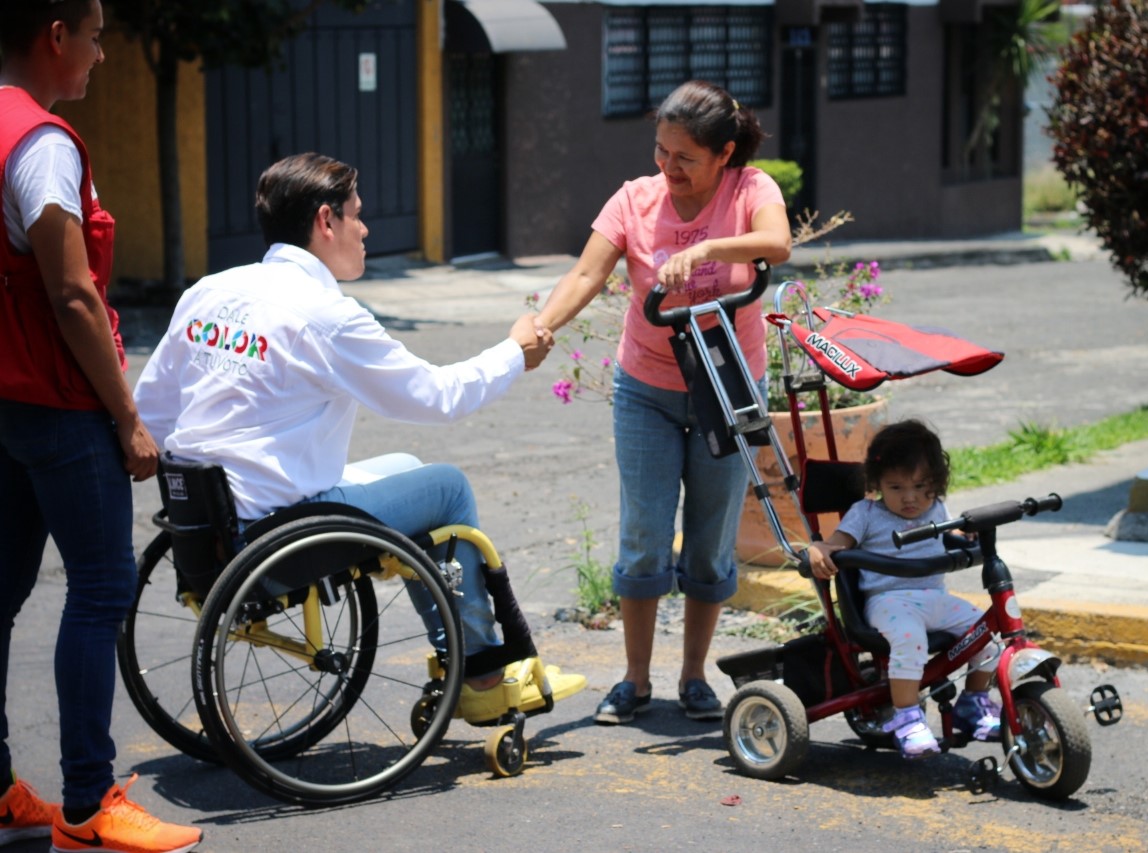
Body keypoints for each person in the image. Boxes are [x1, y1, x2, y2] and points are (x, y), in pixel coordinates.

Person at [132, 152, 584, 724]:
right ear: (326, 221)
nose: (366, 229)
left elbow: (153, 412)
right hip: (282, 527)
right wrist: (514, 353)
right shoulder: (326, 316)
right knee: (446, 488)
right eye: (357, 215)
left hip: (207, 525)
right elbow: (438, 397)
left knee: (404, 462)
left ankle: (460, 652)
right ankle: (483, 674)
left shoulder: (210, 292)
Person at [0, 3, 205, 851]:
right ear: (56, 35)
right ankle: (87, 801)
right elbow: (73, 293)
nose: (102, 54)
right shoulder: (42, 142)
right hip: (60, 402)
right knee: (100, 589)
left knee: (4, 594)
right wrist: (127, 416)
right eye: (95, 36)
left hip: (6, 401)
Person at [533, 80, 792, 724]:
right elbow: (588, 274)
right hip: (646, 387)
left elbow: (777, 243)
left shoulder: (751, 189)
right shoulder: (634, 200)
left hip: (728, 386)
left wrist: (706, 248)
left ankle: (695, 678)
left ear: (724, 153)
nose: (667, 169)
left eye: (685, 158)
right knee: (645, 535)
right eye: (660, 152)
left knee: (708, 542)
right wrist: (543, 326)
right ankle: (635, 679)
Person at [806, 419, 1004, 759]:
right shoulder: (865, 513)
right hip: (888, 602)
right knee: (910, 639)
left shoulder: (937, 509)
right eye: (896, 488)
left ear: (936, 484)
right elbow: (835, 545)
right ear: (877, 483)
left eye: (920, 486)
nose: (909, 498)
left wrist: (962, 539)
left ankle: (972, 704)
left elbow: (946, 536)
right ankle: (907, 717)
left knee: (987, 633)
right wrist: (818, 550)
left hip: (934, 599)